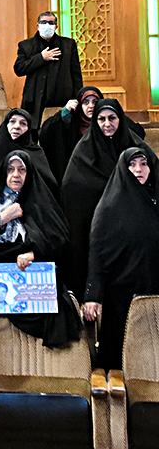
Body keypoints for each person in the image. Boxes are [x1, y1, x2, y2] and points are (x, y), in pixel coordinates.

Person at [0, 151, 82, 357]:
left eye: (22, 170)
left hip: (29, 280)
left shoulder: (40, 201)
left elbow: (58, 239)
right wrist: (2, 218)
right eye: (10, 170)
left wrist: (33, 254)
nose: (16, 175)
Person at [60, 98, 148, 303]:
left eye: (112, 118)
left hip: (133, 233)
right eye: (101, 119)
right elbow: (71, 187)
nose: (107, 124)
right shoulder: (83, 152)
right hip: (97, 231)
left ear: (120, 119)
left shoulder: (135, 147)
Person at [84, 147, 159, 368]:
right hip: (121, 293)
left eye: (143, 164)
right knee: (120, 354)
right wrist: (93, 295)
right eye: (132, 165)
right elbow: (97, 253)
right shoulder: (109, 206)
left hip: (154, 288)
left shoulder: (155, 198)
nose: (138, 169)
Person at [0, 109, 57, 217]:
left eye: (23, 123)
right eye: (12, 122)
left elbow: (48, 189)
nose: (17, 126)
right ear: (6, 125)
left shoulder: (36, 153)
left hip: (30, 214)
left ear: (28, 129)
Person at [14, 11, 83, 128]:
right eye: (43, 22)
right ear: (38, 26)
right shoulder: (26, 45)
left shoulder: (68, 44)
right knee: (34, 132)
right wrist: (41, 58)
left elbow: (76, 74)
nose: (47, 25)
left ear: (56, 26)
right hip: (35, 100)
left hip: (61, 99)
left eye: (51, 23)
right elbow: (19, 69)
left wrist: (78, 99)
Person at [39, 86, 103, 184]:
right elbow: (46, 133)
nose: (91, 106)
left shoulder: (108, 123)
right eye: (86, 102)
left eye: (95, 102)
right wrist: (63, 114)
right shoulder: (73, 124)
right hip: (76, 178)